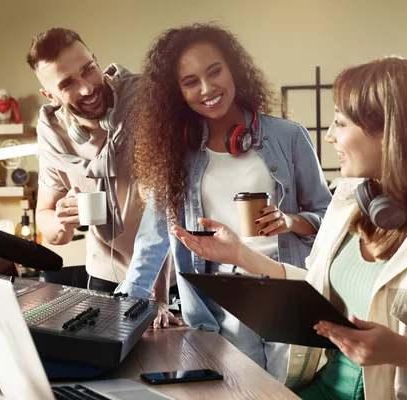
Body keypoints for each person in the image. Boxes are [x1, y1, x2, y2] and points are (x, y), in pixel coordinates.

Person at [173, 56, 407, 399]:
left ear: (393, 133)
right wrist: (239, 254)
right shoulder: (349, 201)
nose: (329, 136)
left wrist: (400, 351)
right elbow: (317, 293)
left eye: (341, 124)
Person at [115, 23, 332, 381]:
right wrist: (128, 307)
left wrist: (290, 221)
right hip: (220, 301)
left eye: (215, 71)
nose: (207, 89)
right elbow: (153, 240)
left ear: (234, 69)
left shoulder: (289, 137)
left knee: (285, 391)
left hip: (286, 289)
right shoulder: (174, 156)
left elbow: (327, 217)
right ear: (177, 93)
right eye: (190, 82)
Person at [26, 28, 173, 296]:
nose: (86, 88)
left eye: (88, 70)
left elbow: (169, 200)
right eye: (66, 84)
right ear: (50, 96)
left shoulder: (148, 100)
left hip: (172, 273)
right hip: (106, 276)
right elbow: (49, 226)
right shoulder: (53, 137)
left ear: (95, 60)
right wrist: (63, 218)